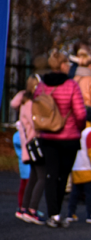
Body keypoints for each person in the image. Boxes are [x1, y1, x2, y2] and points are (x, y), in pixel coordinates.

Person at [34, 50, 87, 228]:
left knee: (51, 174)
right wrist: (78, 128)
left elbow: (37, 106)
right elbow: (81, 114)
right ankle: (57, 212)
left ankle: (53, 214)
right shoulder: (71, 86)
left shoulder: (42, 86)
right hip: (68, 136)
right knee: (63, 175)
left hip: (47, 135)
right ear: (63, 65)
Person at [16, 75, 46, 225]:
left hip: (30, 143)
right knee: (42, 177)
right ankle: (31, 209)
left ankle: (24, 207)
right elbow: (35, 123)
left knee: (34, 177)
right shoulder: (30, 104)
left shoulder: (24, 102)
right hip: (34, 143)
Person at [66, 107, 91, 224]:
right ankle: (90, 215)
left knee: (75, 193)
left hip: (76, 166)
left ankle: (71, 213)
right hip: (87, 167)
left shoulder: (76, 129)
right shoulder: (90, 132)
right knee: (89, 194)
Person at [10, 92, 30, 220]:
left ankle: (25, 207)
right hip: (26, 163)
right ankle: (23, 208)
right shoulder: (20, 133)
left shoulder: (19, 133)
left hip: (25, 163)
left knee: (26, 185)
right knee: (26, 185)